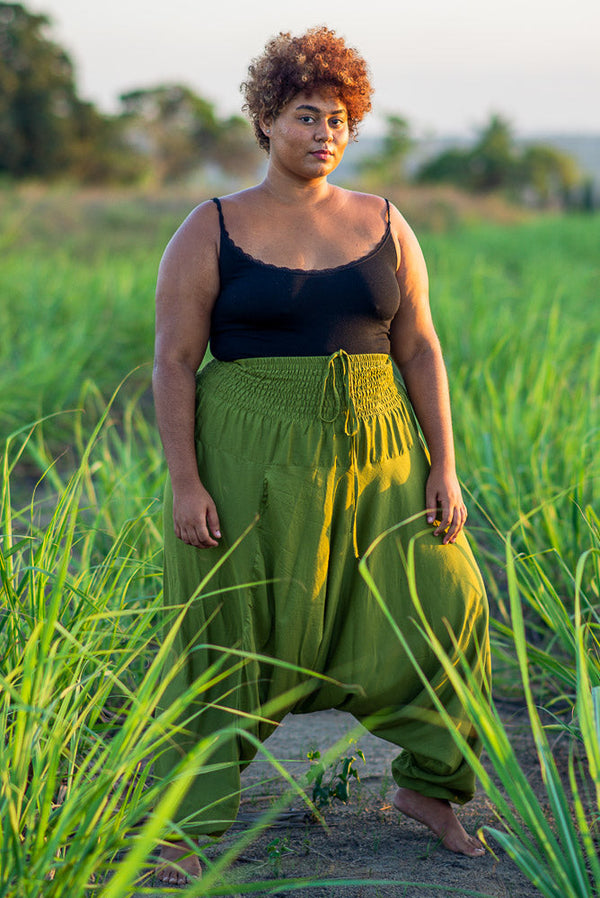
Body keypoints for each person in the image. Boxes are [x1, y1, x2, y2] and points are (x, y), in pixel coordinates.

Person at [152, 26, 490, 884]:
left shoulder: (386, 223)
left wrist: (443, 465)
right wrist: (185, 481)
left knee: (447, 602)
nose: (324, 134)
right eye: (306, 116)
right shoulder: (211, 226)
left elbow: (421, 349)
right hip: (247, 458)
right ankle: (188, 823)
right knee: (225, 628)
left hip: (381, 457)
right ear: (266, 121)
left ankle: (430, 788)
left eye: (339, 119)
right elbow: (173, 362)